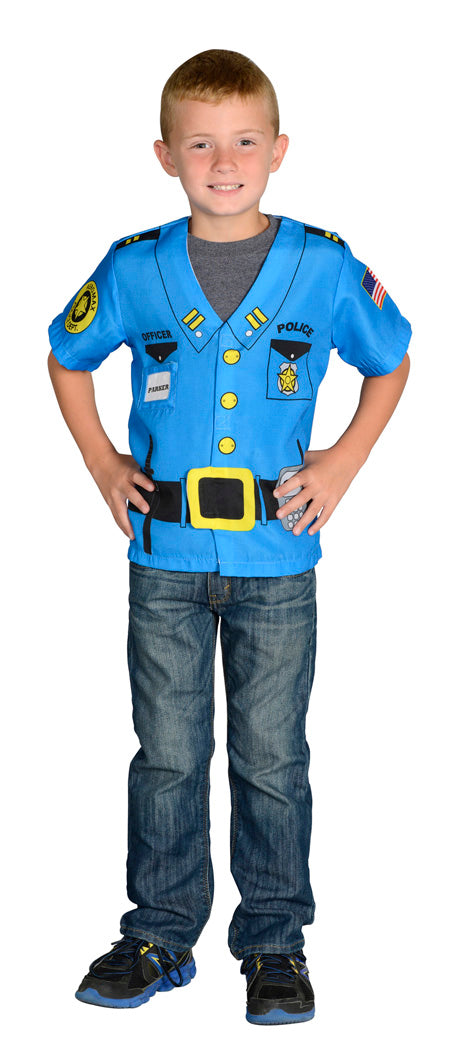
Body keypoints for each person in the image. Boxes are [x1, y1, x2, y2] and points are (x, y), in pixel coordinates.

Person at [47, 48, 411, 1026]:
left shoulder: (323, 267)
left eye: (245, 141)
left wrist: (340, 464)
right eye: (201, 143)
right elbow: (65, 356)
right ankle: (160, 934)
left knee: (271, 758)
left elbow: (392, 358)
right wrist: (102, 462)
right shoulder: (134, 268)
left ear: (279, 150)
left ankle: (275, 942)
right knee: (167, 755)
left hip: (276, 561)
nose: (224, 161)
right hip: (163, 560)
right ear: (165, 154)